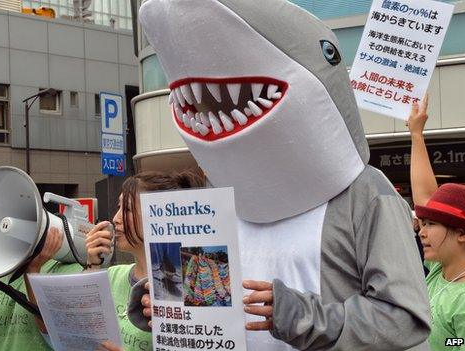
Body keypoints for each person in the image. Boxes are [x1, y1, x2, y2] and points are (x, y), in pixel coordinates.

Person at [136, 0, 431, 349]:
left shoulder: (366, 194)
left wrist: (301, 316)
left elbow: (406, 319)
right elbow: (206, 300)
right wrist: (165, 301)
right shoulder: (212, 202)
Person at [86, 171, 204, 351]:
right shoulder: (112, 276)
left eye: (127, 209)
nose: (116, 219)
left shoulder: (194, 286)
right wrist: (92, 265)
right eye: (118, 208)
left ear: (160, 216)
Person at [408, 95, 465, 350]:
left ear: (462, 233)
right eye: (423, 223)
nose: (422, 231)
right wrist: (416, 135)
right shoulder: (439, 270)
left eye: (431, 225)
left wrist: (448, 341)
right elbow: (425, 196)